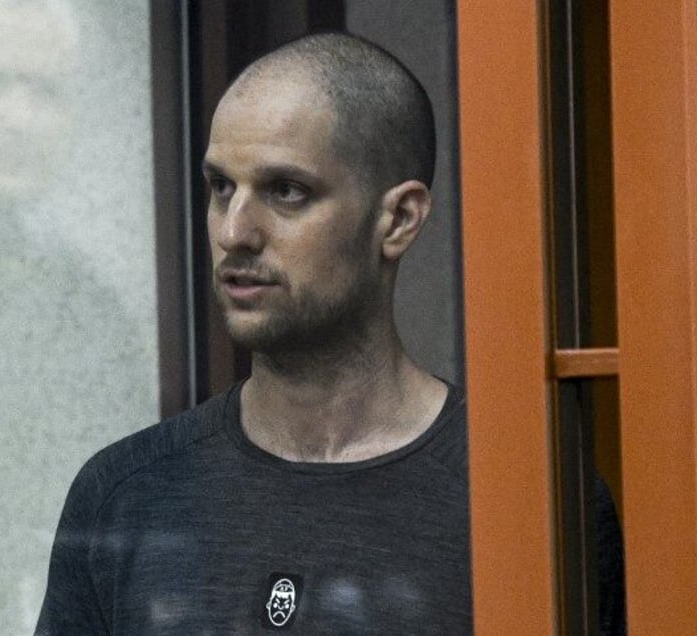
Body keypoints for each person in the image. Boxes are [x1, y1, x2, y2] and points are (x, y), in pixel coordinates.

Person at [35, 32, 624, 634]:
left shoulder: (527, 501)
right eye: (221, 188)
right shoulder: (126, 494)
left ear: (397, 219)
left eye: (285, 191)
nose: (234, 231)